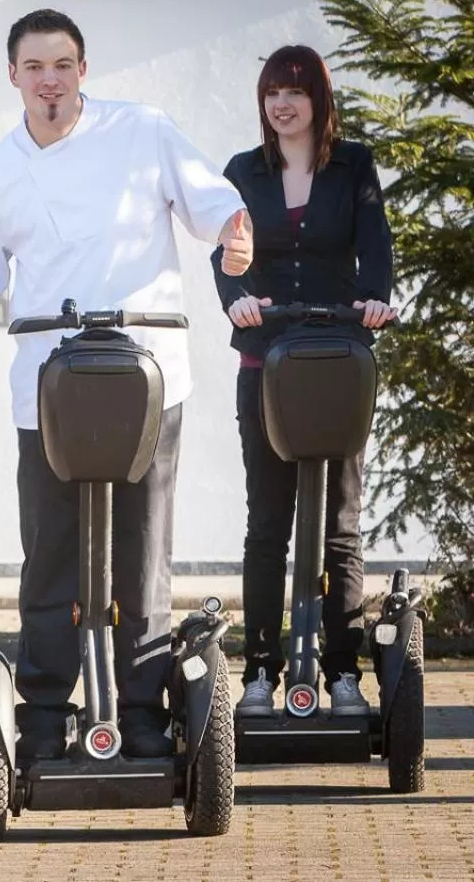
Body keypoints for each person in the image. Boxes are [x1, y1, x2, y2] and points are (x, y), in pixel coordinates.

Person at [0, 9, 255, 760]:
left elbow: (211, 203)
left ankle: (143, 708)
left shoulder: (142, 131)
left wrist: (235, 232)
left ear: (83, 71)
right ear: (12, 76)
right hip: (48, 389)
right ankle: (46, 710)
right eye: (34, 68)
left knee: (143, 549)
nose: (48, 80)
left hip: (145, 377)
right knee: (50, 550)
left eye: (62, 65)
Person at [213, 44, 395, 719]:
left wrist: (375, 297)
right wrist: (234, 294)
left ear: (318, 99)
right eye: (271, 93)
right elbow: (225, 249)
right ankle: (260, 670)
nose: (282, 104)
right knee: (268, 523)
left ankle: (344, 672)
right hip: (265, 363)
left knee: (341, 527)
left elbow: (375, 243)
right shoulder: (243, 172)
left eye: (294, 91)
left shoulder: (354, 167)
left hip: (336, 363)